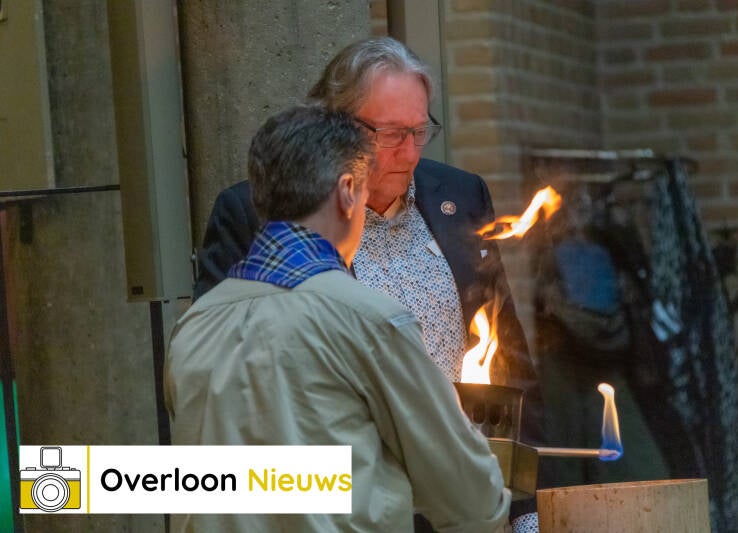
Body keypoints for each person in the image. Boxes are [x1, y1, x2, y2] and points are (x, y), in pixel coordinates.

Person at [165, 106, 511, 532]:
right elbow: (471, 499)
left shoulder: (192, 329)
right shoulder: (370, 321)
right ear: (348, 192)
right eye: (365, 196)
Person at [195, 36, 545, 447]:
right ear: (337, 129)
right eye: (393, 135)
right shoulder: (255, 216)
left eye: (419, 131)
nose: (411, 153)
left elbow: (510, 356)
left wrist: (525, 501)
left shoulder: (460, 195)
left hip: (465, 479)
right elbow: (223, 380)